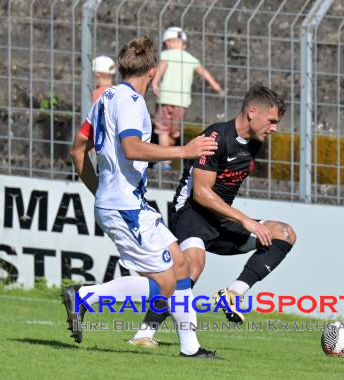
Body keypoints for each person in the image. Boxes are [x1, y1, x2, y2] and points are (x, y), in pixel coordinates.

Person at [65, 36, 220, 359]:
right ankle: (85, 297)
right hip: (125, 206)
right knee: (164, 284)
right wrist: (184, 150)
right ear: (152, 71)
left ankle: (190, 348)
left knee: (179, 265)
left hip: (128, 203)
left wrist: (102, 192)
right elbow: (131, 147)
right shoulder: (132, 103)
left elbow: (78, 151)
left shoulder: (105, 97)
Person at [129, 86, 296, 348]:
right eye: (272, 121)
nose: (274, 128)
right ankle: (144, 333)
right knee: (192, 267)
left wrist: (241, 220)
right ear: (253, 113)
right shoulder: (215, 137)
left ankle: (233, 293)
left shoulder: (254, 144)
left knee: (284, 233)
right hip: (191, 213)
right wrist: (245, 220)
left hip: (220, 220)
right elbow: (202, 194)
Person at [152, 26, 223, 170]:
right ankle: (167, 158)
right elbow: (204, 72)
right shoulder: (190, 58)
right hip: (182, 103)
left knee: (163, 130)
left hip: (165, 99)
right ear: (183, 43)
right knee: (173, 132)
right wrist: (215, 85)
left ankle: (164, 161)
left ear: (168, 42)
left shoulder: (167, 55)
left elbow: (161, 69)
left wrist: (154, 82)